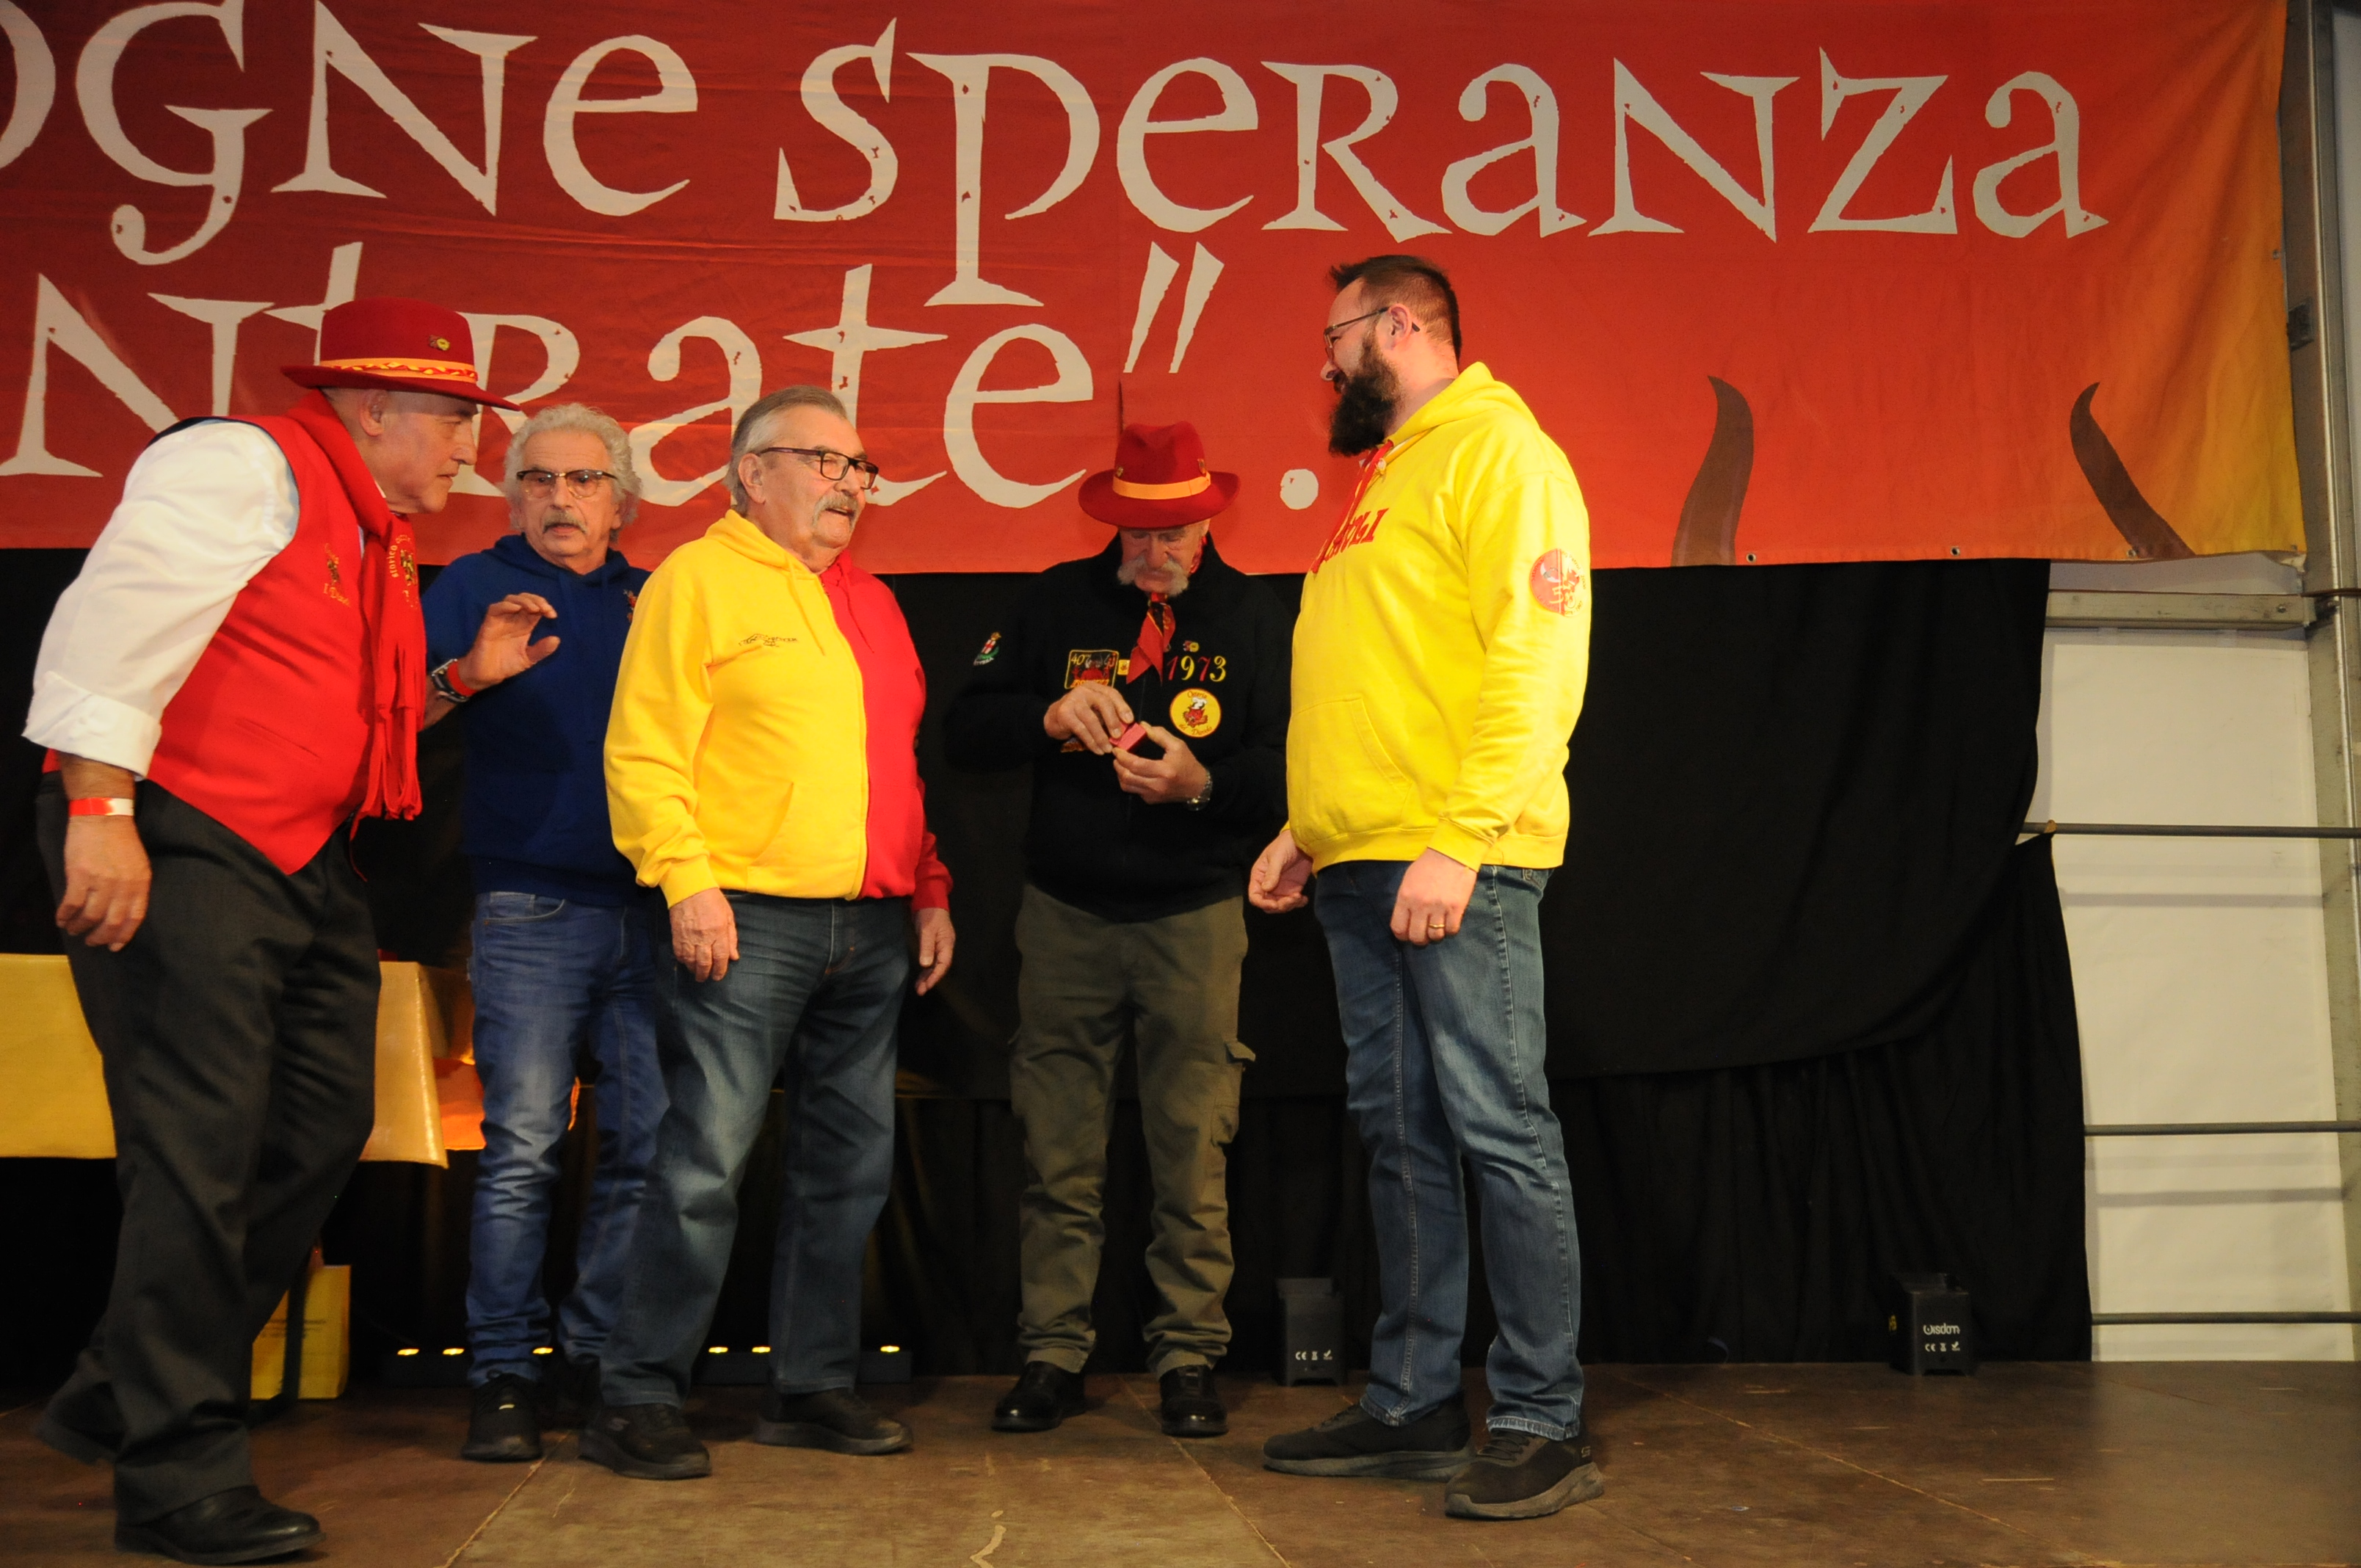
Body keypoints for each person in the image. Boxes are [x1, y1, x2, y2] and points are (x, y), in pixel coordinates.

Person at [26, 297, 555, 1563]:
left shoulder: (377, 539)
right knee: (197, 1151)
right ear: (372, 408)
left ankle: (124, 1384)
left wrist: (461, 682)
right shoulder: (241, 463)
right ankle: (177, 1474)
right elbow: (106, 629)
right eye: (452, 421)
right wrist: (100, 810)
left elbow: (348, 716)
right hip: (184, 832)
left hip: (302, 857)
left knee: (320, 1123)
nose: (469, 449)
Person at [1249, 255, 1600, 1522]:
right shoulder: (1387, 477)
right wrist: (1309, 826)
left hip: (1459, 858)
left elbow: (1536, 659)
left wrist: (1464, 837)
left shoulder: (1502, 453)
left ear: (1399, 325)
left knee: (1502, 1128)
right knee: (1402, 1137)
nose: (1326, 363)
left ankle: (1542, 1417)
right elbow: (1387, 673)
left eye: (1335, 337)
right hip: (1366, 860)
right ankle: (1411, 1404)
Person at [587, 385, 955, 1480]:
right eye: (825, 462)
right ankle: (637, 1393)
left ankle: (810, 1386)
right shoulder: (695, 580)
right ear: (752, 472)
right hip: (743, 918)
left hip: (872, 924)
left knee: (848, 1170)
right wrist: (685, 883)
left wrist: (928, 883)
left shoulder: (872, 602)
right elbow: (643, 747)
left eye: (860, 467)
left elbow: (894, 766)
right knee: (703, 1164)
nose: (850, 485)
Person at [946, 422, 1290, 1440]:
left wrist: (1203, 785)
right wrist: (1048, 716)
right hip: (1067, 916)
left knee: (1192, 1147)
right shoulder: (1056, 601)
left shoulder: (1253, 615)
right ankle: (1053, 1353)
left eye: (1173, 533)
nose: (1154, 553)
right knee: (1058, 1152)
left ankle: (1188, 1358)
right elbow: (965, 730)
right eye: (1138, 534)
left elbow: (1291, 765)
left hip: (1194, 916)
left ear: (1207, 522)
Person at [423, 404, 667, 1463]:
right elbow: (394, 714)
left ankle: (595, 1358)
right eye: (538, 480)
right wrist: (470, 672)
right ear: (513, 495)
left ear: (623, 501)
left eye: (583, 480)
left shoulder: (656, 598)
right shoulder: (474, 586)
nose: (559, 499)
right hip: (530, 906)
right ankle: (503, 1374)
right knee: (523, 1146)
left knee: (649, 1145)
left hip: (656, 907)